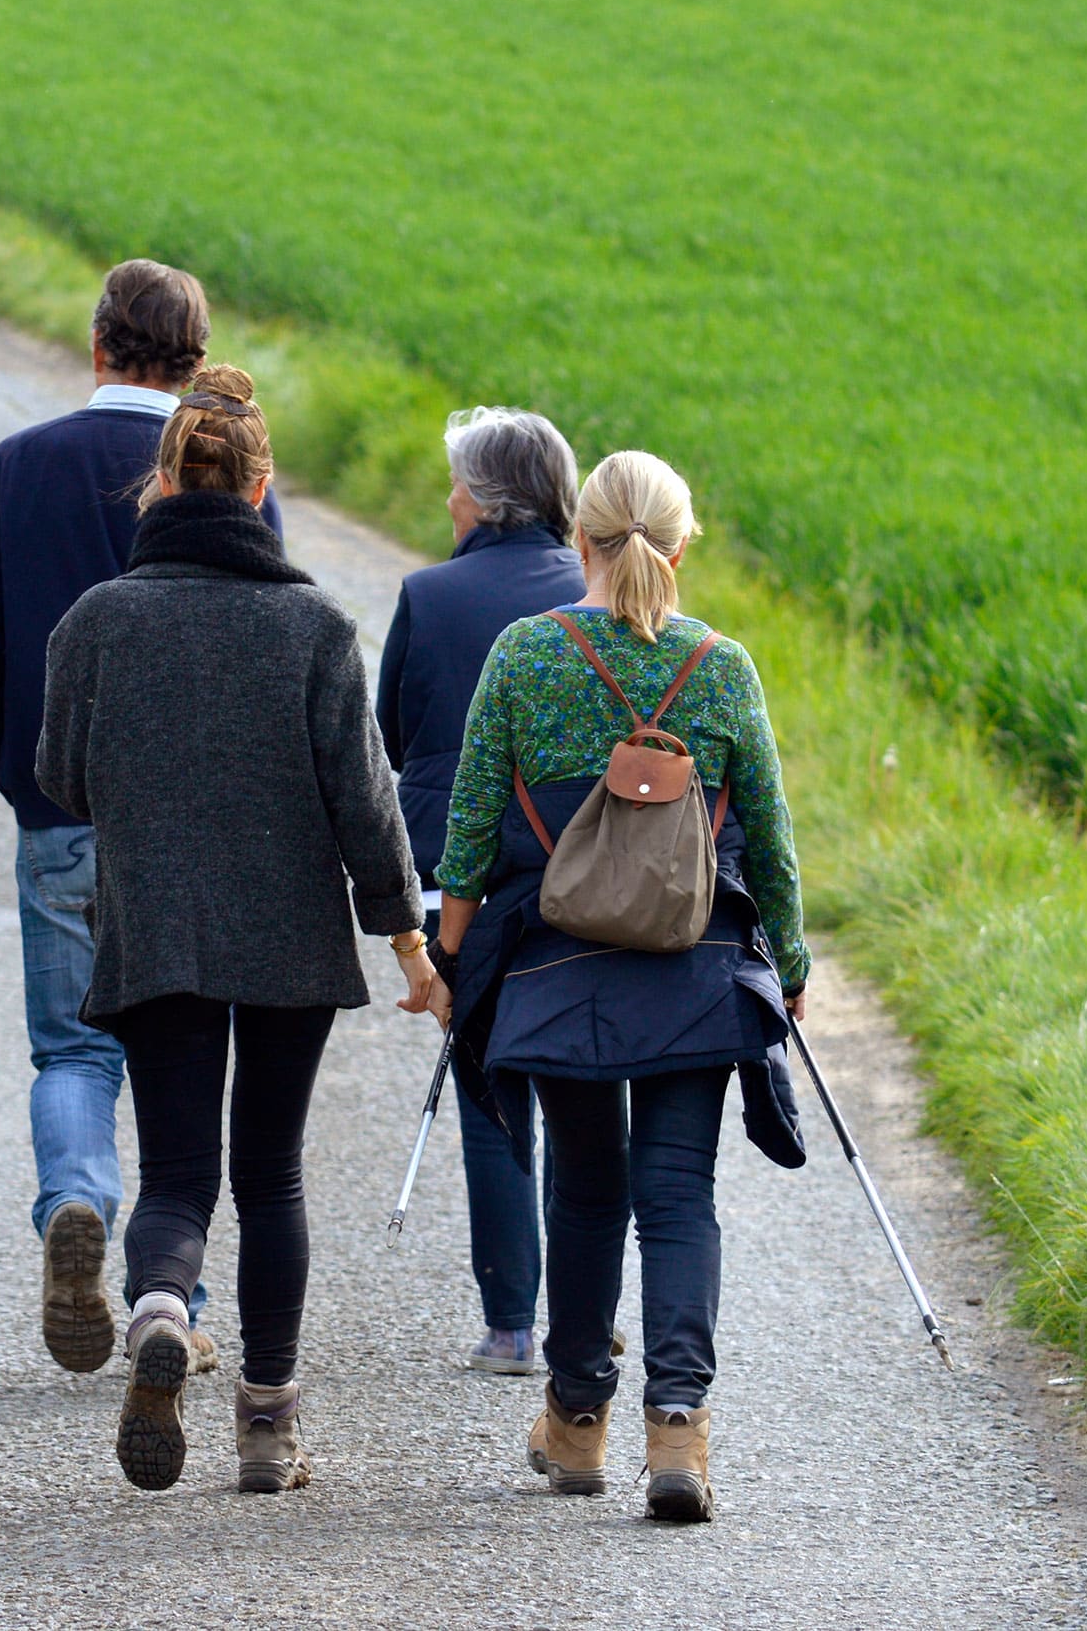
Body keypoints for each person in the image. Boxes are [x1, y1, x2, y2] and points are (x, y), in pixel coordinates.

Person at [37, 365, 434, 1492]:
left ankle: (160, 1303)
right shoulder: (310, 623)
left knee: (172, 1171)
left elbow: (61, 776)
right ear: (260, 489)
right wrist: (405, 939)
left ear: (161, 481)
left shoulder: (98, 619)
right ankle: (266, 1427)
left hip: (155, 922)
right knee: (270, 1175)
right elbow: (364, 799)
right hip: (289, 936)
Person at [429, 449, 811, 1524]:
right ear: (681, 546)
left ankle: (578, 1421)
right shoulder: (722, 667)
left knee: (587, 1191)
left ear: (579, 539)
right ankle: (678, 1425)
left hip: (561, 973)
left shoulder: (523, 656)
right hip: (695, 973)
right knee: (677, 1198)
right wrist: (788, 968)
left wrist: (452, 961)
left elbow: (467, 831)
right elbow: (771, 846)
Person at [0, 260, 281, 1377]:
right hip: (200, 827)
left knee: (75, 1048)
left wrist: (20, 780)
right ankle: (164, 1284)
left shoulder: (19, 465)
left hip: (66, 809)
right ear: (198, 355)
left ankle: (74, 1202)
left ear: (96, 344)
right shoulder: (224, 463)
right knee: (190, 1070)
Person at [375, 406, 584, 1376]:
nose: (449, 500)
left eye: (456, 483)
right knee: (586, 1094)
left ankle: (510, 1323)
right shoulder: (596, 588)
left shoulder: (428, 595)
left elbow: (391, 737)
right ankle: (587, 1304)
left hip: (461, 886)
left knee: (492, 1093)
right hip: (588, 881)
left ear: (487, 501)